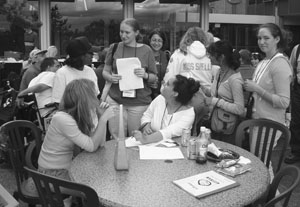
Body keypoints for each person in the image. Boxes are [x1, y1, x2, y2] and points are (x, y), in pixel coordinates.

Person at [38, 79, 114, 181]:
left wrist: (100, 116)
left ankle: (73, 197)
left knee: (103, 176)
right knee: (97, 183)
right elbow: (91, 146)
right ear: (84, 99)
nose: (96, 100)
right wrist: (104, 119)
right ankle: (74, 197)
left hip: (64, 168)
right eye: (93, 96)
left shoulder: (77, 116)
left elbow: (100, 144)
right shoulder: (62, 119)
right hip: (52, 174)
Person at [244, 23, 292, 162]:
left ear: (277, 39)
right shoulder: (264, 61)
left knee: (261, 164)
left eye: (266, 38)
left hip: (269, 123)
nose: (261, 42)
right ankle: (269, 184)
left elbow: (284, 101)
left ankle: (269, 184)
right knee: (261, 163)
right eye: (259, 38)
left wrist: (257, 89)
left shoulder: (280, 63)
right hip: (258, 120)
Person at [102, 18, 157, 138]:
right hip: (116, 101)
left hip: (139, 103)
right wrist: (111, 77)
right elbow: (105, 71)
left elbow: (154, 77)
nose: (123, 35)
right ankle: (115, 157)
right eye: (121, 32)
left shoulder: (146, 50)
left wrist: (145, 75)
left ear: (136, 33)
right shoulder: (114, 47)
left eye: (127, 32)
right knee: (115, 138)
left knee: (137, 138)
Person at [163, 27, 212, 135]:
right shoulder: (209, 56)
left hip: (186, 100)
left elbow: (169, 78)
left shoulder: (180, 54)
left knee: (184, 136)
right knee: (202, 136)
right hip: (207, 101)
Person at [133, 75, 200, 144]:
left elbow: (168, 132)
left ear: (175, 93)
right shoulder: (160, 99)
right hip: (151, 146)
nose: (163, 84)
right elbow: (147, 115)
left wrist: (145, 139)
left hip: (175, 150)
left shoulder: (188, 114)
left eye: (167, 84)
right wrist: (146, 126)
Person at [204, 40, 244, 144]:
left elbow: (240, 109)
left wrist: (216, 102)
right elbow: (216, 94)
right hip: (217, 123)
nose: (209, 57)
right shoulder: (219, 72)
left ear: (221, 57)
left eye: (212, 55)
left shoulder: (235, 80)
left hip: (228, 129)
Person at [52, 36, 99, 104]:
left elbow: (95, 97)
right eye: (90, 53)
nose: (92, 56)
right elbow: (58, 102)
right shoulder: (62, 73)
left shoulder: (90, 71)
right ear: (80, 56)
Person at [285, 44, 300, 164]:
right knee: (296, 121)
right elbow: (292, 67)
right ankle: (296, 152)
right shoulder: (297, 49)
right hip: (298, 89)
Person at [147, 28, 169, 99]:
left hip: (163, 96)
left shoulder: (167, 56)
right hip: (146, 96)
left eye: (159, 41)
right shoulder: (144, 55)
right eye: (154, 40)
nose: (156, 43)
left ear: (163, 42)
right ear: (149, 41)